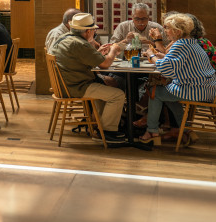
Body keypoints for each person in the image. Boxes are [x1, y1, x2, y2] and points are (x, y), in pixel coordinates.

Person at [140, 14, 216, 145]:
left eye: (167, 28)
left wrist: (151, 55)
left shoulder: (180, 45)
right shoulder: (191, 42)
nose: (165, 31)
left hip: (195, 90)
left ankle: (152, 131)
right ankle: (185, 129)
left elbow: (166, 69)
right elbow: (179, 62)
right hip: (207, 88)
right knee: (168, 93)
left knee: (155, 92)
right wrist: (163, 56)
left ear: (178, 31)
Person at [51, 12, 126, 142]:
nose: (94, 32)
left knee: (105, 86)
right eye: (93, 29)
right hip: (77, 86)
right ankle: (107, 131)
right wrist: (114, 49)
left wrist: (96, 53)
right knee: (118, 95)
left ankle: (100, 128)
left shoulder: (64, 38)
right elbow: (105, 64)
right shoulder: (80, 44)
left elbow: (80, 59)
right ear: (87, 31)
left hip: (66, 84)